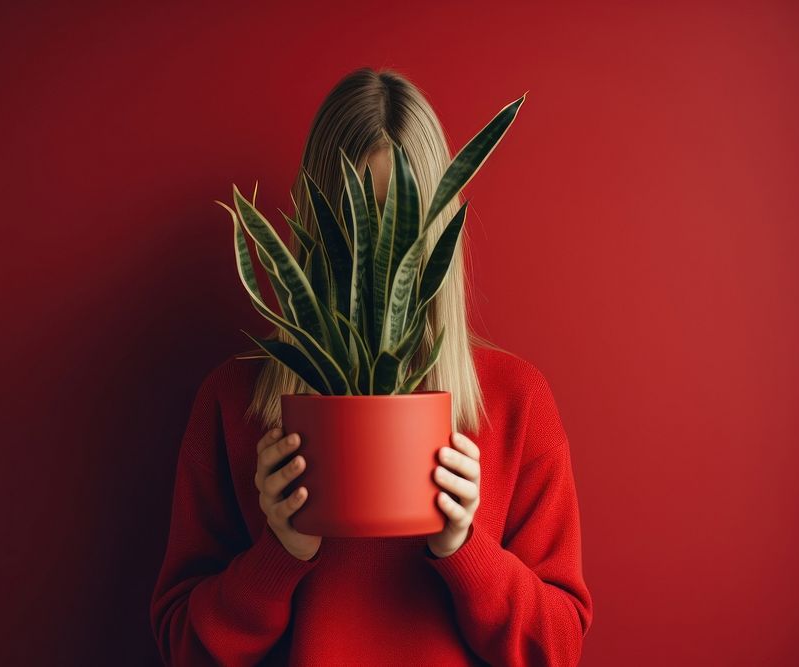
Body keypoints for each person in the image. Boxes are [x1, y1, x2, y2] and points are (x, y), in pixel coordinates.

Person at [150, 67, 593, 666]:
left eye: (400, 223)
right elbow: (183, 646)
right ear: (317, 230)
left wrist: (466, 548)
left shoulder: (516, 402)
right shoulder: (238, 401)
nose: (376, 257)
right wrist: (280, 551)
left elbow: (559, 648)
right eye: (352, 223)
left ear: (438, 229)